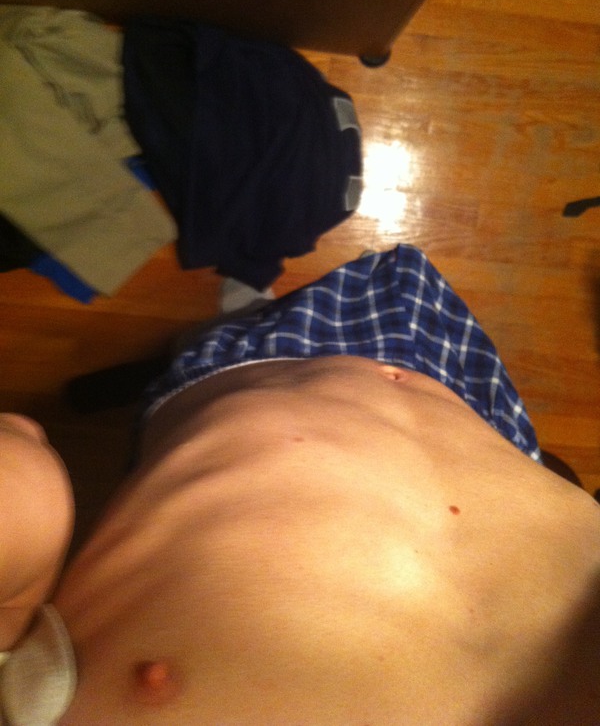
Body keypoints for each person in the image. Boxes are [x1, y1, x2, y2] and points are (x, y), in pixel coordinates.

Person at [0, 245, 598, 725]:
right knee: (403, 271)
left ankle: (226, 324)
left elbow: (24, 487)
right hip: (476, 406)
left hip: (263, 375)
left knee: (244, 317)